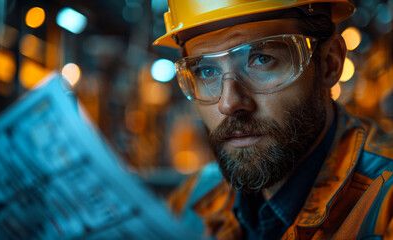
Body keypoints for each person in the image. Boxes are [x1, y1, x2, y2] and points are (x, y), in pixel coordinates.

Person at [153, 1, 393, 239]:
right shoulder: (192, 203)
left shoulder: (386, 206)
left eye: (261, 59)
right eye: (206, 70)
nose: (228, 104)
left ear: (330, 63)